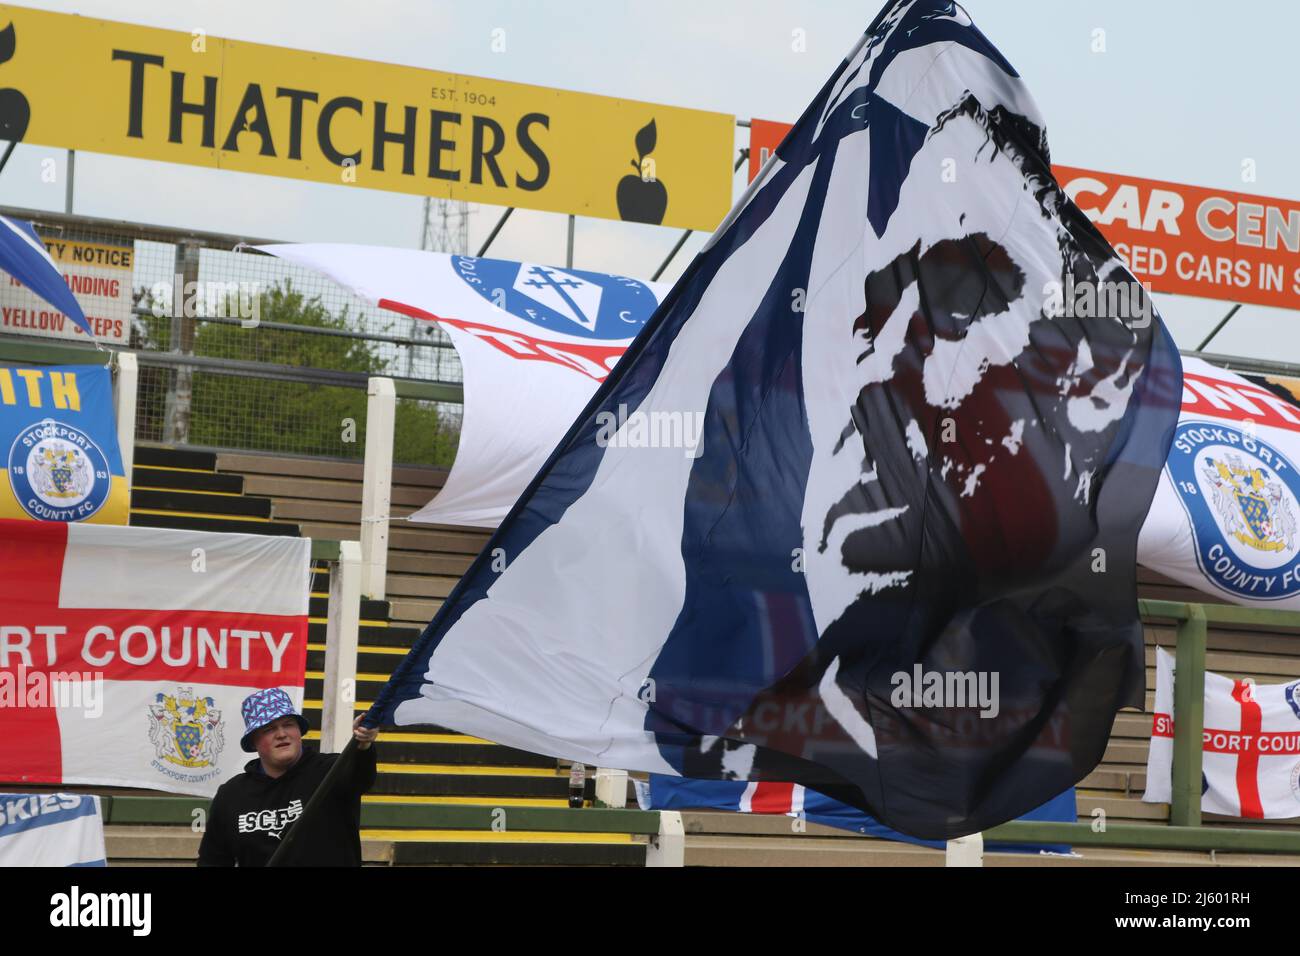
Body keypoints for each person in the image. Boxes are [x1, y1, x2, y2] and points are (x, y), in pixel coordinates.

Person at [197, 687, 379, 867]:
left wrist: (363, 745)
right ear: (254, 741)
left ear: (299, 731)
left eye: (288, 724)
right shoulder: (231, 795)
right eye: (269, 729)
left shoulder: (332, 770)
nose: (281, 734)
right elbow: (212, 860)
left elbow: (361, 776)